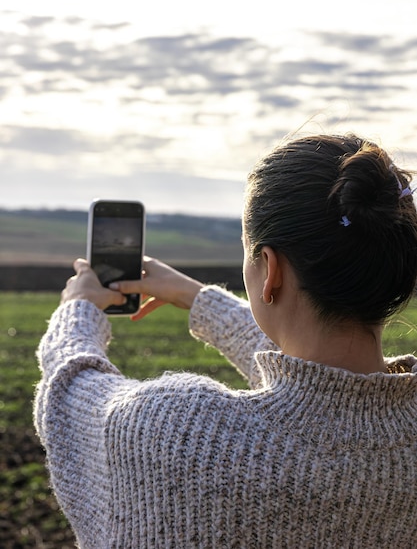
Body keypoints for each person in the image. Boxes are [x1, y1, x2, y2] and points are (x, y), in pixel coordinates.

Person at [34, 133, 417, 549]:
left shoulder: (179, 432)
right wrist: (198, 299)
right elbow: (325, 388)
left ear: (269, 270)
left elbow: (70, 389)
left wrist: (79, 307)